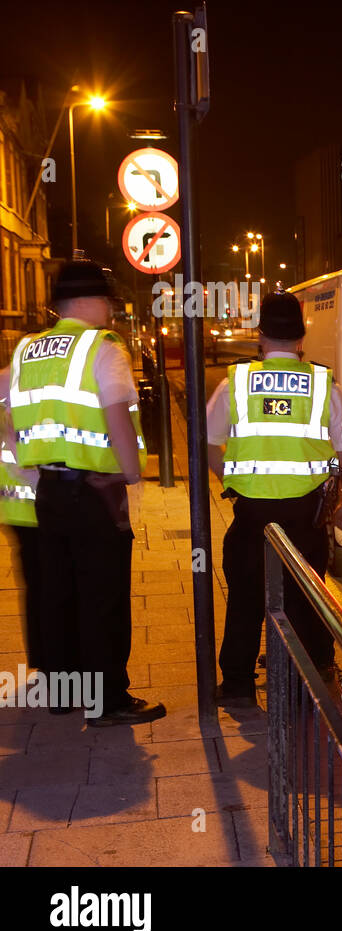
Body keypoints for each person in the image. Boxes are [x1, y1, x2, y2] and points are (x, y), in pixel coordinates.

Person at [3, 259, 165, 725]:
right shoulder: (104, 347)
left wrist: (38, 476)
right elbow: (116, 413)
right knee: (102, 595)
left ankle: (64, 692)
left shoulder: (27, 350)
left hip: (50, 491)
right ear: (89, 303)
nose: (112, 311)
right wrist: (132, 474)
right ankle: (108, 700)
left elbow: (10, 420)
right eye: (107, 301)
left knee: (58, 592)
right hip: (96, 491)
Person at [206, 291, 342, 705]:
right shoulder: (323, 384)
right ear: (300, 337)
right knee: (307, 596)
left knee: (244, 596)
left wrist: (232, 479)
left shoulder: (234, 383)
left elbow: (207, 441)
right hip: (305, 514)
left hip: (251, 513)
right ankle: (309, 679)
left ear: (260, 336)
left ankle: (237, 685)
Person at [0, 401, 42, 675]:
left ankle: (45, 661)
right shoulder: (16, 383)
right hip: (35, 503)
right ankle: (54, 665)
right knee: (50, 589)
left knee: (37, 587)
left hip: (14, 503)